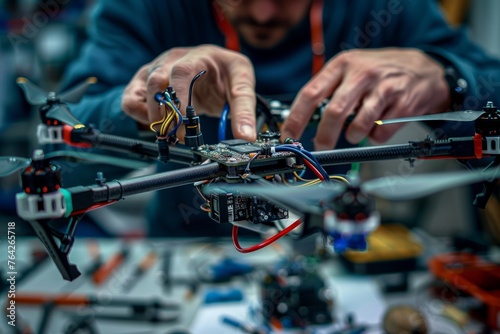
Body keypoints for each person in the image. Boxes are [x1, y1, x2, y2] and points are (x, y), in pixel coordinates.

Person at [59, 0, 500, 237]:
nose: (263, 12)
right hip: (187, 248)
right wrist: (144, 107)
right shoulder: (143, 8)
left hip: (333, 246)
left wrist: (448, 77)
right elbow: (61, 154)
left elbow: (489, 87)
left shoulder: (387, 6)